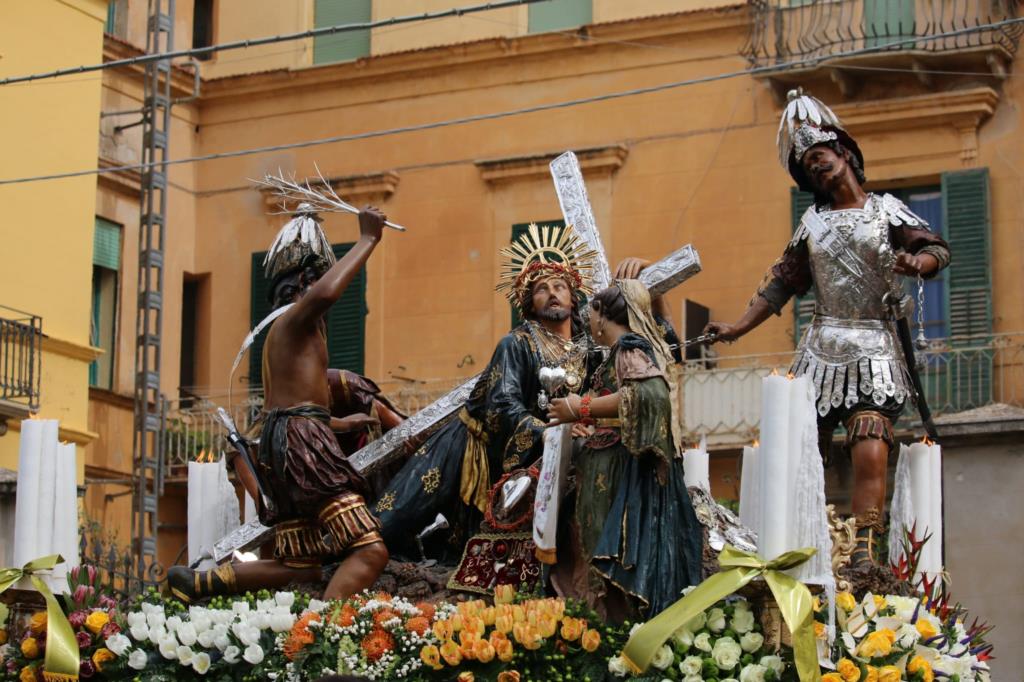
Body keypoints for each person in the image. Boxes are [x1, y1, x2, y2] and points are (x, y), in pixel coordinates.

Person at [703, 89, 951, 567]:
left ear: (845, 155)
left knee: (870, 445)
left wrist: (914, 262)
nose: (815, 167)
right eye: (806, 164)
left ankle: (863, 548)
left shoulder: (887, 211)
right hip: (819, 348)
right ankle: (801, 537)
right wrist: (736, 328)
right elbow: (780, 283)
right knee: (801, 451)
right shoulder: (811, 224)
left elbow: (936, 250)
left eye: (820, 156)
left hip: (874, 345)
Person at [168, 205, 390, 602]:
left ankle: (203, 582)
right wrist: (367, 240)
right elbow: (327, 292)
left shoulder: (286, 337)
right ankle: (323, 632)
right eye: (320, 281)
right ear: (305, 284)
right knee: (370, 550)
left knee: (299, 564)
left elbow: (294, 407)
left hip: (286, 441)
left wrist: (343, 424)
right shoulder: (293, 320)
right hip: (302, 446)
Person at [374, 224, 597, 559]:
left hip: (537, 455)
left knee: (470, 547)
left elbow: (643, 355)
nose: (552, 293)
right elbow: (500, 403)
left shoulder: (589, 350)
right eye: (541, 288)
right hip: (469, 445)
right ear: (528, 303)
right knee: (393, 518)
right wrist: (549, 429)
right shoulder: (517, 343)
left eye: (559, 285)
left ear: (572, 295)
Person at [546, 281, 704, 620]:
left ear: (602, 315)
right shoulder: (620, 354)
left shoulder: (629, 349)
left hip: (619, 468)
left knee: (614, 549)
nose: (588, 324)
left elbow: (645, 395)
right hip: (605, 462)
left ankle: (620, 625)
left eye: (590, 316)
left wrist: (580, 408)